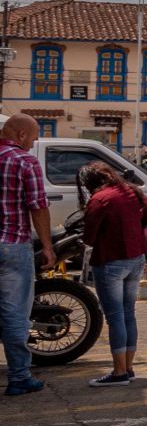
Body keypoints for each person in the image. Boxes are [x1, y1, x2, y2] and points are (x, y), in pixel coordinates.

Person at [77, 162, 147, 387]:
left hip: (110, 262)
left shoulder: (100, 199)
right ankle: (128, 367)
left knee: (115, 317)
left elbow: (89, 237)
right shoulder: (133, 191)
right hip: (136, 260)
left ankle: (119, 372)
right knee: (128, 314)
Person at [0, 115, 55, 398]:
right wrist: (47, 245)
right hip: (12, 245)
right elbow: (37, 206)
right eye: (32, 139)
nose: (33, 144)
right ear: (21, 135)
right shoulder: (24, 161)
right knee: (14, 315)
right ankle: (19, 377)